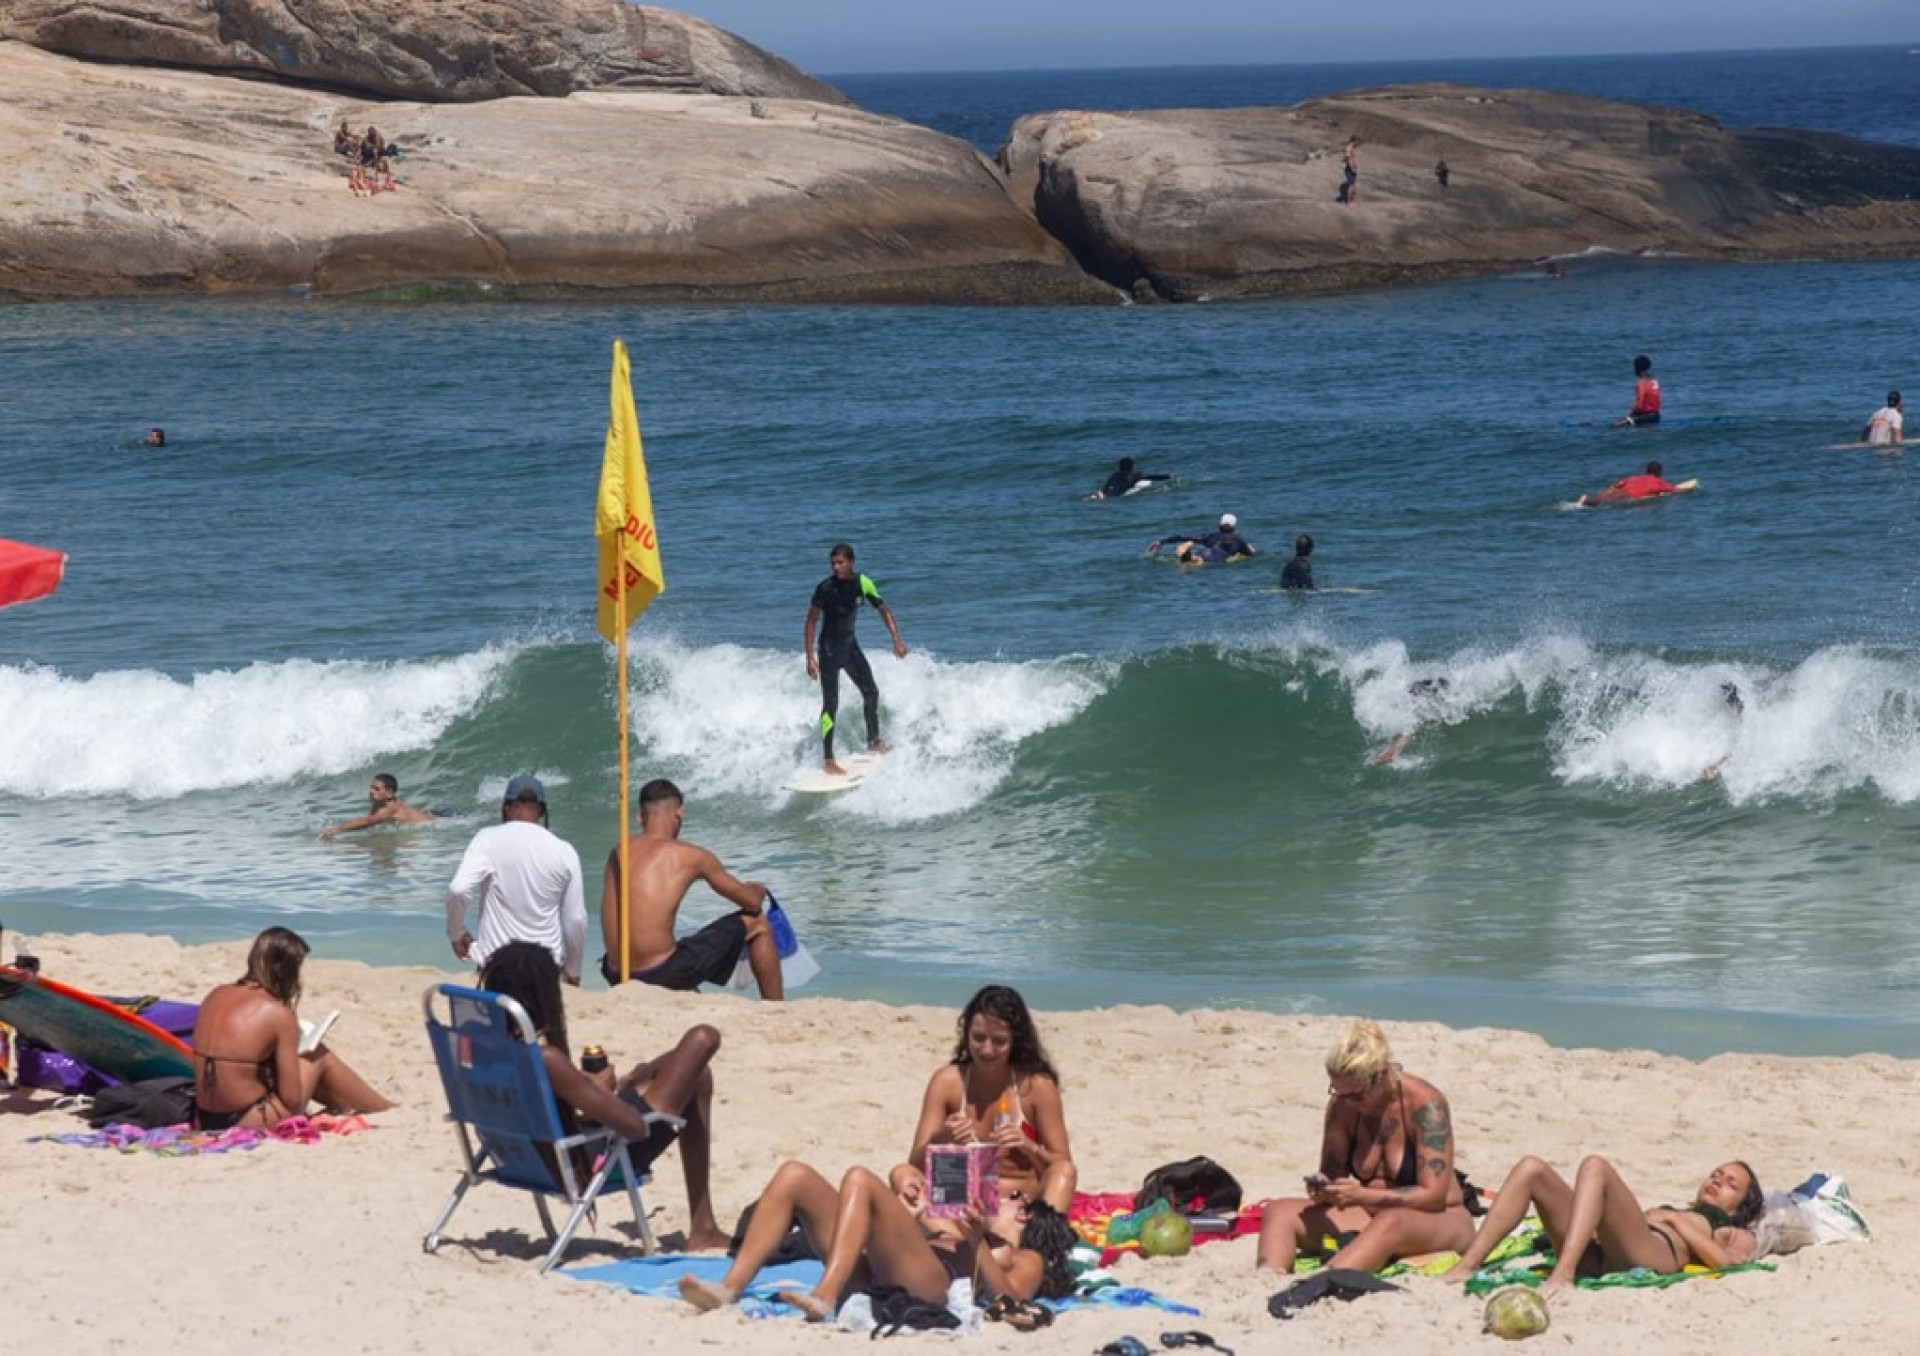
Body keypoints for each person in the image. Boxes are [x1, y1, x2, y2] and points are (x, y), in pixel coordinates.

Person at [479, 941, 730, 1250]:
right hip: (601, 1156)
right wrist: (599, 1091)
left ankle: (703, 1227)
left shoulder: (485, 1052)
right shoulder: (545, 1059)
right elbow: (635, 1129)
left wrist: (588, 1091)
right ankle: (703, 1228)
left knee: (697, 1076)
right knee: (703, 1038)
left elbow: (548, 1111)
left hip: (529, 1159)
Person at [679, 1157, 1074, 1320]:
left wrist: (976, 1244)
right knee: (795, 1174)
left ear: (1023, 1211)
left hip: (931, 1286)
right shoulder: (967, 1226)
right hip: (880, 1270)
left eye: (1006, 1198)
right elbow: (897, 1247)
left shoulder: (1025, 1257)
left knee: (858, 1179)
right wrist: (909, 1217)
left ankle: (827, 1293)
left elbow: (1014, 1298)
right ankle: (729, 1287)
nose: (998, 1198)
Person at [1255, 1018, 1475, 1274]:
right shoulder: (1343, 1103)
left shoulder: (1426, 1105)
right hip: (1370, 1215)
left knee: (1392, 1220)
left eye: (1356, 1095)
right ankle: (1267, 1279)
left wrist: (1362, 1195)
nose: (1348, 1102)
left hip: (1438, 1219)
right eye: (1337, 1092)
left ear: (1381, 1075)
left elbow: (1433, 1196)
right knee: (1279, 1211)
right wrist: (1324, 1188)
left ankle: (1323, 1282)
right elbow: (1332, 1174)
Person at [1440, 1156, 1763, 1299]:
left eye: (1730, 1184)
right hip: (1601, 1253)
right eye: (1716, 1174)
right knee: (1532, 1168)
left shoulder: (1734, 1231)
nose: (1718, 1181)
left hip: (1653, 1252)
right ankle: (1468, 1265)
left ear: (1740, 1207)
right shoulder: (1675, 1208)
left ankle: (1563, 1274)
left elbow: (1728, 1263)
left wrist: (1675, 1221)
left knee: (1595, 1166)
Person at [892, 985, 1077, 1213]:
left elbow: (1061, 1166)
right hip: (960, 1202)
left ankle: (1038, 1241)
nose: (987, 1050)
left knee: (1065, 1172)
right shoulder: (948, 1082)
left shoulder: (1036, 1087)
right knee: (900, 1173)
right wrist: (941, 1138)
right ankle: (953, 1234)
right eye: (978, 1038)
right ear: (966, 1034)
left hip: (1016, 1207)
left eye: (999, 1041)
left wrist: (1029, 1148)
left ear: (1015, 1042)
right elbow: (916, 1163)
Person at [189, 926, 393, 1130]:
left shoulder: (215, 993)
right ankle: (382, 1108)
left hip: (203, 1117)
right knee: (317, 1055)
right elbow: (291, 1099)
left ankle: (354, 1105)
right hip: (246, 1119)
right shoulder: (278, 1013)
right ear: (286, 972)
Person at [599, 777, 782, 999]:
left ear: (640, 818)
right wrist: (757, 889)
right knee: (758, 922)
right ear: (679, 812)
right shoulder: (692, 856)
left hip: (616, 973)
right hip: (659, 973)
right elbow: (750, 902)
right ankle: (776, 1008)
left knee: (684, 942)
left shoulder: (618, 851)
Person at [445, 774, 587, 984]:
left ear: (507, 808)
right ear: (540, 810)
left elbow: (458, 889)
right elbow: (575, 919)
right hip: (544, 966)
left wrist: (456, 933)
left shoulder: (487, 839)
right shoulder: (565, 851)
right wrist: (573, 970)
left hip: (496, 964)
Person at [804, 542, 908, 776]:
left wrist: (896, 640)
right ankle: (829, 759)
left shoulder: (863, 583)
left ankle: (873, 742)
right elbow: (811, 621)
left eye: (840, 563)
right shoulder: (825, 588)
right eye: (833, 563)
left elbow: (884, 609)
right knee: (830, 704)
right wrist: (810, 657)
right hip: (829, 651)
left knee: (870, 692)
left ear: (851, 562)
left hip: (850, 648)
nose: (836, 567)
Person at [319, 772, 440, 839]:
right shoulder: (378, 803)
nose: (371, 791)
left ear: (389, 793)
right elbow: (369, 823)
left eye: (376, 789)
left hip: (436, 823)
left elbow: (368, 821)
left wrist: (337, 829)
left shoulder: (391, 807)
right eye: (371, 788)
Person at [1371, 676, 1451, 766]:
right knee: (1412, 722)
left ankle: (1391, 752)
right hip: (1424, 689)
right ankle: (1391, 752)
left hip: (1420, 688)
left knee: (1412, 722)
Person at [1146, 513, 1255, 565]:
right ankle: (1190, 555)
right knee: (1198, 563)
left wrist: (1161, 542)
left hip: (1203, 552)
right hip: (1216, 558)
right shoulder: (1238, 539)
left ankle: (1188, 550)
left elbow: (1182, 536)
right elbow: (1249, 554)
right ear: (1234, 527)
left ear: (1219, 525)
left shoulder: (1210, 536)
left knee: (1194, 559)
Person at [1579, 460, 1679, 507]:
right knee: (1605, 502)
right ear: (1658, 472)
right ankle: (1587, 500)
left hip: (1617, 489)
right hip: (1628, 495)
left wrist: (1610, 489)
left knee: (1602, 497)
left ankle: (1587, 499)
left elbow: (1617, 484)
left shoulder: (1633, 478)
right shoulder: (1658, 482)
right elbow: (1674, 490)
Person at [1614, 354, 1661, 427]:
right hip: (1656, 416)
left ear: (1637, 368)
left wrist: (1629, 416)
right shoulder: (1654, 381)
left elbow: (1640, 405)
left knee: (1616, 425)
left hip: (1645, 417)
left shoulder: (1641, 383)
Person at [1092, 456, 1171, 499]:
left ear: (1120, 467)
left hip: (1104, 493)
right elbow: (1152, 477)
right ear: (1131, 467)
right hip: (1117, 495)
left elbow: (1106, 486)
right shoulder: (1134, 475)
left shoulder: (1114, 475)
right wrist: (1167, 476)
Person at [1340, 136, 1360, 204]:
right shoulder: (1349, 148)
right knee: (1351, 185)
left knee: (1352, 184)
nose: (1357, 143)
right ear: (1354, 141)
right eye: (1357, 142)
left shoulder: (1349, 147)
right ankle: (1349, 202)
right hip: (1349, 168)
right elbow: (1348, 158)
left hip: (1349, 167)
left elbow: (1345, 158)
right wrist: (1352, 167)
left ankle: (1349, 200)